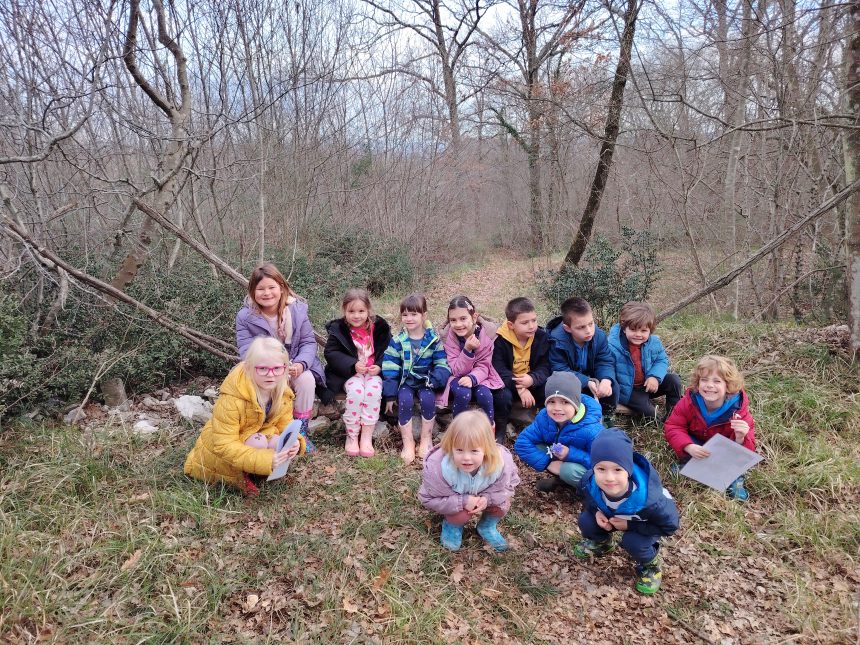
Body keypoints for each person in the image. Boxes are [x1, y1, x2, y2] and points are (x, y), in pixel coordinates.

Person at [184, 337, 304, 496]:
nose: (271, 375)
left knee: (277, 440)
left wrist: (295, 442)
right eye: (262, 368)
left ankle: (261, 470)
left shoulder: (282, 392)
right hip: (221, 454)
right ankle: (243, 477)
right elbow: (224, 445)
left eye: (277, 368)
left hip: (254, 436)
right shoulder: (232, 399)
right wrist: (265, 459)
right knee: (258, 441)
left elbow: (285, 425)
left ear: (285, 368)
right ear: (248, 368)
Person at [574, 428, 680, 595]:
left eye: (617, 469)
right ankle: (603, 543)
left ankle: (651, 566)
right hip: (611, 516)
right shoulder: (589, 482)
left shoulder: (651, 501)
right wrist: (596, 512)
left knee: (633, 542)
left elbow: (670, 525)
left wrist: (630, 525)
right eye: (601, 469)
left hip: (643, 524)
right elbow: (586, 498)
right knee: (586, 521)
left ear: (628, 470)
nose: (609, 477)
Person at [235, 263, 325, 452]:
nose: (267, 293)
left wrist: (301, 364)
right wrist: (273, 368)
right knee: (261, 385)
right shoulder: (245, 316)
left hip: (294, 364)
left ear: (281, 287)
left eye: (271, 287)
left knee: (307, 380)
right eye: (261, 289)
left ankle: (300, 431)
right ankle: (266, 430)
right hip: (264, 368)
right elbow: (246, 349)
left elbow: (308, 342)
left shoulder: (297, 311)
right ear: (252, 291)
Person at [418, 410, 520, 552]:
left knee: (502, 504)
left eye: (474, 451)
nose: (466, 457)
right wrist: (462, 502)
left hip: (484, 495)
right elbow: (427, 498)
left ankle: (486, 527)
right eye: (459, 450)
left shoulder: (500, 464)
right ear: (450, 446)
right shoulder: (440, 469)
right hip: (456, 500)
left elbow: (507, 488)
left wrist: (488, 499)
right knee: (461, 514)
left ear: (487, 448)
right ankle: (453, 526)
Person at [663, 355, 756, 501]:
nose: (709, 385)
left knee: (735, 459)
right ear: (697, 382)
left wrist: (740, 438)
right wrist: (688, 446)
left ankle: (735, 479)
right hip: (697, 445)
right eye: (704, 380)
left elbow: (748, 450)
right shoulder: (688, 402)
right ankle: (689, 465)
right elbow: (674, 426)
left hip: (723, 451)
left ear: (728, 386)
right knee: (687, 447)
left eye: (717, 381)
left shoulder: (739, 411)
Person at [382, 294, 451, 464]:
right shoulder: (398, 341)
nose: (409, 318)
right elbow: (390, 367)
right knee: (405, 399)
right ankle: (408, 442)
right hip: (406, 382)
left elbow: (442, 363)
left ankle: (426, 439)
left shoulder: (433, 340)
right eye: (405, 314)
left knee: (428, 399)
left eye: (414, 314)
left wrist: (435, 380)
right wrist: (390, 395)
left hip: (426, 381)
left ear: (424, 315)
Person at [323, 288, 392, 457]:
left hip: (373, 373)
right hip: (349, 374)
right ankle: (352, 435)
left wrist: (379, 365)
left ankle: (366, 436)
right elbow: (331, 353)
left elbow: (390, 351)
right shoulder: (338, 329)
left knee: (374, 392)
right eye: (351, 311)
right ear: (344, 311)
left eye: (361, 311)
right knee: (356, 392)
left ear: (368, 310)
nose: (356, 316)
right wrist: (352, 365)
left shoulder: (379, 328)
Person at [513, 371, 604, 492]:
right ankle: (562, 481)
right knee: (538, 446)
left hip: (592, 472)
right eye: (552, 401)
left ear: (576, 404)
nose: (557, 408)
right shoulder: (545, 417)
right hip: (562, 458)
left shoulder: (591, 429)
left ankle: (594, 493)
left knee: (568, 470)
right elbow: (522, 442)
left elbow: (603, 463)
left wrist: (570, 454)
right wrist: (548, 463)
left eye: (565, 402)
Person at [438, 296, 504, 441]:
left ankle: (488, 436)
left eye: (463, 319)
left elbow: (484, 365)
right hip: (456, 377)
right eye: (453, 320)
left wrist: (472, 378)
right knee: (463, 393)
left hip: (480, 377)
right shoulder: (449, 337)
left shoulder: (486, 335)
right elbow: (456, 370)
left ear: (474, 317)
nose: (458, 324)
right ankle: (458, 435)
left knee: (485, 395)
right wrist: (467, 350)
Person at [607, 302, 682, 420]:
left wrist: (654, 377)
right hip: (629, 390)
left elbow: (661, 360)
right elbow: (607, 368)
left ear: (650, 331)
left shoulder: (654, 343)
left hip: (648, 383)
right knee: (650, 413)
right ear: (624, 328)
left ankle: (674, 416)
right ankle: (658, 422)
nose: (638, 334)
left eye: (643, 331)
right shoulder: (613, 346)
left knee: (674, 380)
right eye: (633, 330)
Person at [491, 297, 551, 441]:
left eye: (534, 320)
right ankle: (500, 430)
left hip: (531, 380)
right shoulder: (500, 340)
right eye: (525, 323)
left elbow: (545, 366)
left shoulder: (541, 337)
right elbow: (499, 369)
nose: (531, 326)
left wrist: (532, 379)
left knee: (548, 390)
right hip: (509, 383)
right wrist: (520, 387)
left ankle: (547, 426)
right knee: (502, 397)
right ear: (511, 325)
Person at [547, 297, 617, 418]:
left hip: (592, 377)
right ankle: (573, 419)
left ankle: (606, 416)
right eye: (581, 327)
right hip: (569, 380)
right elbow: (559, 369)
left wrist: (606, 379)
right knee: (566, 392)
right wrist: (586, 382)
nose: (589, 331)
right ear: (567, 328)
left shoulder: (599, 336)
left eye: (591, 324)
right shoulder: (557, 341)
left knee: (613, 388)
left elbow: (604, 360)